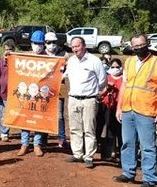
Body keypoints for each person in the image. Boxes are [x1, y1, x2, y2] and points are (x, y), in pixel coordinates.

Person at [114, 34, 157, 187]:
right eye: (135, 46)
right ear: (132, 46)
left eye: (142, 45)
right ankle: (128, 172)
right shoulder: (129, 62)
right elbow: (124, 86)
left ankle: (150, 179)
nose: (139, 48)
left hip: (147, 110)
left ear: (148, 44)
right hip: (128, 109)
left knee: (148, 147)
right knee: (128, 143)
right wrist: (119, 107)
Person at [64, 36, 107, 168]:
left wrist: (95, 92)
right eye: (73, 47)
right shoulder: (71, 61)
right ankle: (77, 154)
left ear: (84, 46)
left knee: (89, 129)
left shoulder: (94, 61)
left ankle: (89, 156)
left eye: (77, 46)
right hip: (73, 98)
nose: (75, 49)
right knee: (74, 128)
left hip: (89, 99)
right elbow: (65, 77)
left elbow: (102, 80)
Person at [17, 30, 49, 157]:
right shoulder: (25, 57)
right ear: (31, 43)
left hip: (41, 94)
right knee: (25, 118)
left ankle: (37, 144)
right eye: (35, 43)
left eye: (40, 43)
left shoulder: (50, 59)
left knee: (39, 119)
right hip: (27, 94)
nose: (38, 46)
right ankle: (24, 144)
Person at [44, 32, 70, 147]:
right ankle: (43, 138)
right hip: (44, 88)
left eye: (53, 42)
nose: (51, 45)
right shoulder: (41, 54)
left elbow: (69, 69)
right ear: (45, 43)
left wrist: (64, 76)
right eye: (49, 42)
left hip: (59, 88)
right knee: (43, 112)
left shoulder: (64, 54)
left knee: (59, 115)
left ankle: (62, 138)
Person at [96, 58, 124, 160]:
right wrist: (107, 89)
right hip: (107, 107)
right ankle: (109, 152)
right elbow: (100, 94)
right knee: (108, 129)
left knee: (120, 131)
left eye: (117, 67)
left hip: (120, 107)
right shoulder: (106, 78)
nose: (115, 69)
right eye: (113, 67)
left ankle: (121, 153)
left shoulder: (124, 79)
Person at [0, 42, 15, 141]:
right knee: (4, 114)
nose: (8, 51)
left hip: (15, 94)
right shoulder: (0, 63)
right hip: (3, 93)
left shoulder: (17, 62)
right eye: (6, 49)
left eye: (10, 49)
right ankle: (4, 133)